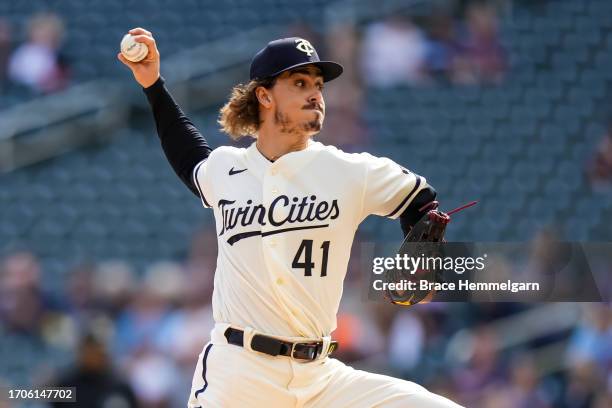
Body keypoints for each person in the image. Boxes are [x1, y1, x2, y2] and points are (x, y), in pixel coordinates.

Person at [118, 27, 462, 407]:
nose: (315, 92)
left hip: (321, 378)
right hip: (240, 374)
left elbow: (420, 200)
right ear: (264, 95)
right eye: (299, 82)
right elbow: (188, 152)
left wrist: (424, 256)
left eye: (318, 84)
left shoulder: (349, 171)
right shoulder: (226, 169)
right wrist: (152, 84)